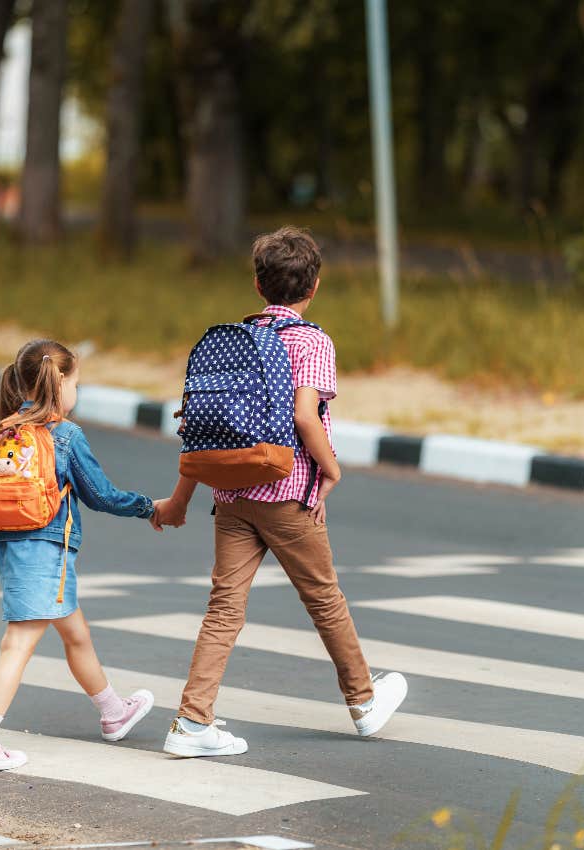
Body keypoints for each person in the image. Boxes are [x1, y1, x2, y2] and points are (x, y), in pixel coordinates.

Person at [153, 227, 408, 757]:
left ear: (257, 284)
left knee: (223, 608)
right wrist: (331, 469)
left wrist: (181, 498)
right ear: (314, 286)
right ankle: (363, 703)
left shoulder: (232, 339)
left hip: (232, 495)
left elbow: (204, 431)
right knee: (325, 599)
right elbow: (304, 415)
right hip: (290, 494)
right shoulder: (312, 340)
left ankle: (192, 722)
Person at [0, 339, 156, 771]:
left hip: (15, 550)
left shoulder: (1, 433)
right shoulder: (64, 435)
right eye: (77, 382)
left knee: (76, 633)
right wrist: (150, 507)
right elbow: (102, 496)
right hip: (46, 551)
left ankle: (113, 711)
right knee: (17, 645)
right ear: (62, 380)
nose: (77, 392)